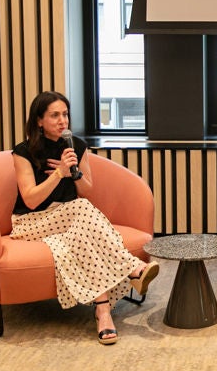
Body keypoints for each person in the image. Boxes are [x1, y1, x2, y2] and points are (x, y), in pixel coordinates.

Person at [11, 91, 159, 345]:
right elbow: (31, 200)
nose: (62, 121)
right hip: (32, 222)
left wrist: (74, 173)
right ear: (39, 120)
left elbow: (87, 189)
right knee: (81, 207)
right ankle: (132, 268)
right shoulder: (24, 152)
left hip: (70, 219)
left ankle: (103, 312)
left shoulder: (76, 146)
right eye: (54, 115)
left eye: (65, 114)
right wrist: (58, 174)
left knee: (81, 232)